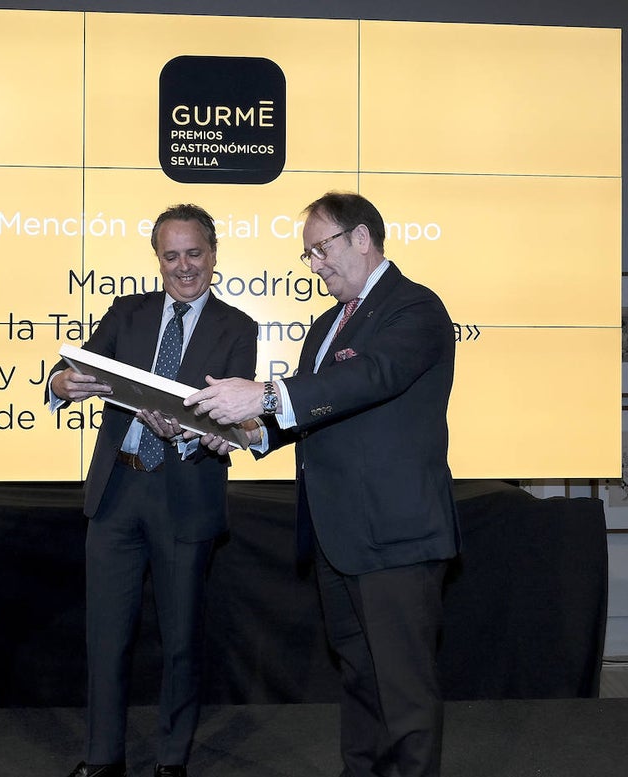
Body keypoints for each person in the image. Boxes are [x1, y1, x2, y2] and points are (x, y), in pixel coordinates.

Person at [186, 191, 460, 777]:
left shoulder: (416, 309)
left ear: (362, 238)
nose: (315, 265)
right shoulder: (324, 327)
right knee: (360, 678)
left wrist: (261, 393)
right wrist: (246, 434)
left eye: (322, 249)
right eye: (308, 255)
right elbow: (311, 415)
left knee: (404, 692)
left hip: (396, 535)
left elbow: (373, 377)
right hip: (338, 534)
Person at [46, 204, 258, 777]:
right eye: (172, 255)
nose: (183, 266)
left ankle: (171, 761)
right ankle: (103, 758)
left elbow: (235, 426)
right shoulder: (126, 313)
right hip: (117, 495)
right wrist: (62, 384)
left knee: (181, 641)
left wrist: (187, 433)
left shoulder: (238, 328)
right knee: (105, 639)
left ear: (213, 255)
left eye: (194, 253)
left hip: (183, 496)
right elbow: (73, 373)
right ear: (157, 259)